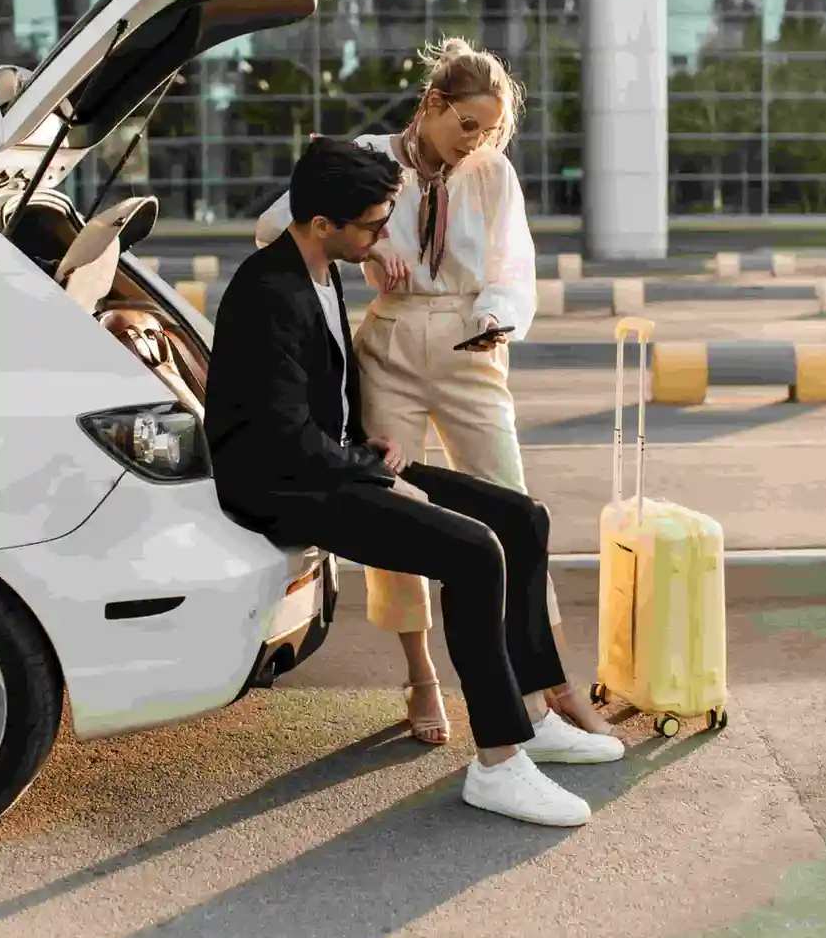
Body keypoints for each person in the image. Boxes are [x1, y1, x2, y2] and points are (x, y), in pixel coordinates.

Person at [205, 137, 624, 827]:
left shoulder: (317, 266)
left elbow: (309, 403)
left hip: (334, 462)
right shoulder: (267, 291)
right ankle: (497, 763)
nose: (380, 237)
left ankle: (532, 709)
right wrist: (367, 470)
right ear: (320, 225)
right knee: (473, 551)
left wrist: (363, 445)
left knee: (523, 519)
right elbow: (277, 439)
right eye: (370, 226)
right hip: (289, 489)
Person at [254, 37, 610, 748]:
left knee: (511, 507)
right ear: (432, 104)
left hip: (468, 344)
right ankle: (419, 676)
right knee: (396, 516)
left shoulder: (490, 174)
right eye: (468, 125)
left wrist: (497, 316)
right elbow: (274, 229)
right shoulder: (363, 156)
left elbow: (514, 263)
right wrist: (367, 241)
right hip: (387, 345)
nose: (476, 142)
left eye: (491, 131)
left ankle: (542, 688)